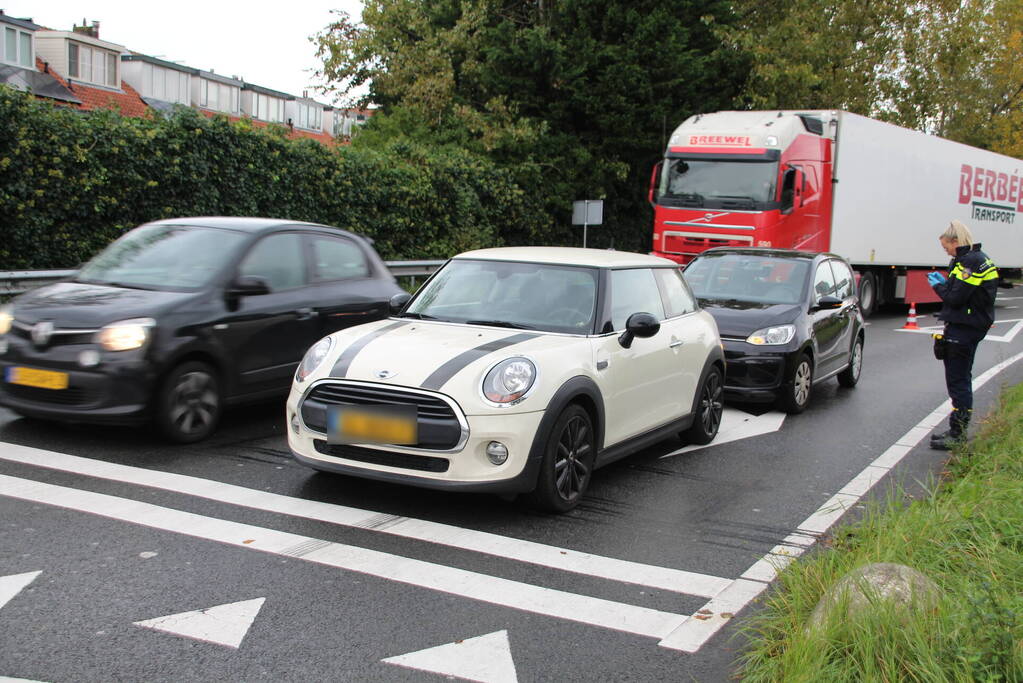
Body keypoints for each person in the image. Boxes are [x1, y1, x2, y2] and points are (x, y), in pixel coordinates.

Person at [926, 220, 999, 450]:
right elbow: (957, 290)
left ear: (955, 241)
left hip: (965, 327)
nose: (945, 250)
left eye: (946, 246)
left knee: (958, 380)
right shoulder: (971, 259)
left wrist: (938, 287)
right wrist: (946, 286)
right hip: (967, 324)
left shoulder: (971, 263)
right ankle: (956, 429)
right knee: (959, 378)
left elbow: (956, 297)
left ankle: (957, 433)